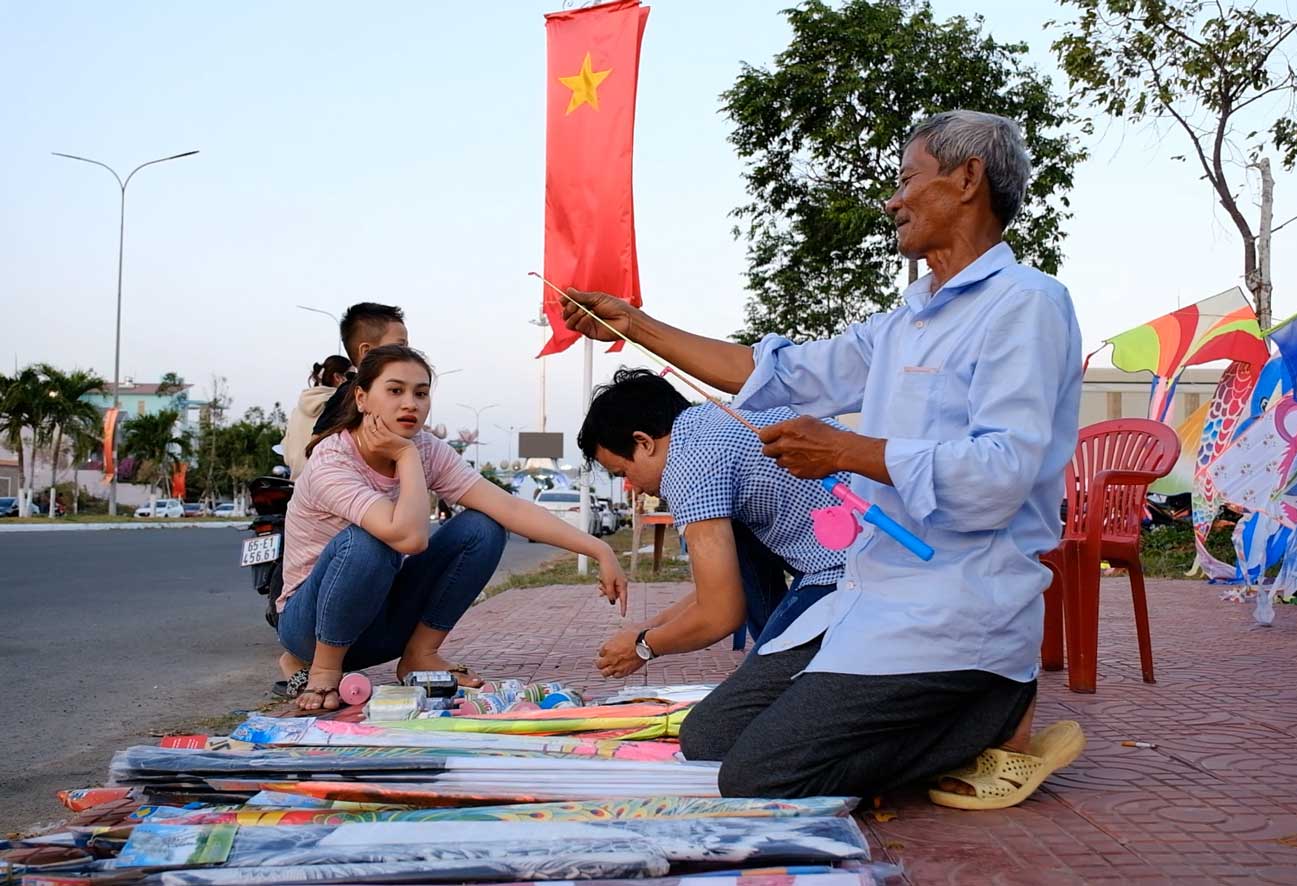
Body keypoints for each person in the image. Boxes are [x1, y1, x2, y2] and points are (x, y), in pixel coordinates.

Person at [559, 110, 1085, 810]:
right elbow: (777, 371)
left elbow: (998, 474)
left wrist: (844, 450)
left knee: (757, 776)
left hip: (956, 603)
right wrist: (637, 324)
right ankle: (940, 715)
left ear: (966, 180)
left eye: (905, 180)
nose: (892, 200)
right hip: (867, 595)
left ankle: (991, 705)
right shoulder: (905, 321)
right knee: (711, 735)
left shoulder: (1027, 305)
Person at [278, 344, 627, 711]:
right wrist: (406, 455)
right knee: (370, 540)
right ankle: (323, 671)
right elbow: (409, 538)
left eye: (421, 393)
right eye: (395, 391)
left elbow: (507, 505)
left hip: (378, 625)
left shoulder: (425, 448)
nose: (410, 403)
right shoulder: (333, 459)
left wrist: (598, 548)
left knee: (483, 526)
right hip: (311, 627)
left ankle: (420, 654)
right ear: (362, 398)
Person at [579, 368, 848, 678]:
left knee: (727, 716)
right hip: (867, 543)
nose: (634, 487)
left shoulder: (687, 466)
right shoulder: (715, 419)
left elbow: (720, 613)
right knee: (737, 534)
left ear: (644, 442)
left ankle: (778, 672)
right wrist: (649, 627)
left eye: (624, 472)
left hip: (851, 567)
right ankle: (774, 660)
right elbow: (720, 586)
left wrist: (643, 646)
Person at [282, 303, 410, 476]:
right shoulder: (346, 394)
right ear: (366, 351)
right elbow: (315, 445)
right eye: (400, 347)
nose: (408, 354)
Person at [281, 355, 353, 480]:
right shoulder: (340, 406)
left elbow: (286, 455)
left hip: (296, 486)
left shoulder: (296, 410)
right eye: (352, 376)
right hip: (326, 485)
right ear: (338, 377)